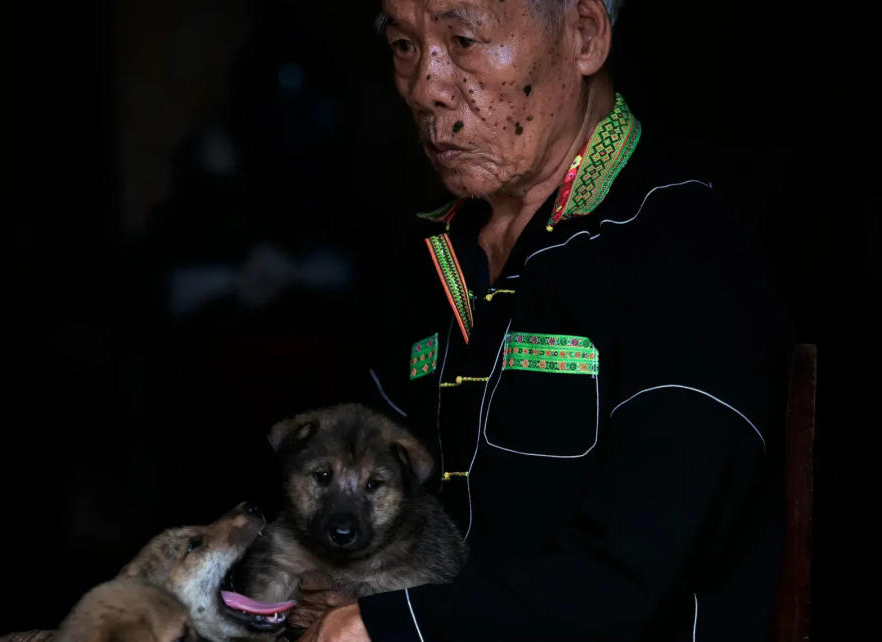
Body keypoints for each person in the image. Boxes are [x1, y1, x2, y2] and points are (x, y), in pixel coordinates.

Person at [298, 0, 792, 640]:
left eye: (464, 40)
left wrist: (388, 627)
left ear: (584, 35)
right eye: (404, 46)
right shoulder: (428, 259)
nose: (426, 86)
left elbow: (631, 577)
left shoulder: (685, 256)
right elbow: (336, 490)